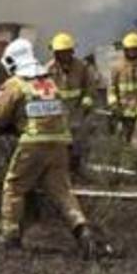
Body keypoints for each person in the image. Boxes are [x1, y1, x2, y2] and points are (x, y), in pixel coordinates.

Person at [0, 37, 108, 259]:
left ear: (13, 62)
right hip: (60, 143)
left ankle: (10, 238)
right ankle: (83, 231)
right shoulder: (50, 82)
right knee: (62, 191)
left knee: (14, 187)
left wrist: (7, 115)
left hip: (33, 144)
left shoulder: (16, 84)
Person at [46, 31, 101, 172]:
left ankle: (76, 168)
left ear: (72, 51)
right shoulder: (48, 69)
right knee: (58, 143)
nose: (63, 55)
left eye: (66, 52)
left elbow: (90, 86)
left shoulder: (81, 67)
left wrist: (87, 100)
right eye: (60, 52)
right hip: (56, 112)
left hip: (77, 110)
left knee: (78, 141)